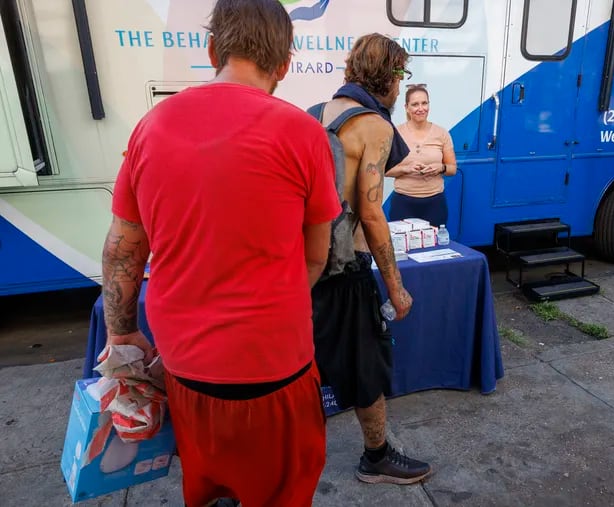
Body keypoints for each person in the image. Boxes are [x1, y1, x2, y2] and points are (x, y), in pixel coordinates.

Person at [101, 1, 340, 505]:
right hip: (276, 369)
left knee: (205, 488)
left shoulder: (151, 127)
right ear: (284, 65)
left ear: (212, 50)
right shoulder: (304, 133)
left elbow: (123, 247)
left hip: (186, 369)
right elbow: (317, 256)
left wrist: (122, 331)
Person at [311, 33, 432, 485]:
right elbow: (371, 212)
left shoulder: (318, 114)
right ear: (389, 77)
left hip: (308, 266)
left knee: (307, 367)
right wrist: (396, 286)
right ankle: (376, 455)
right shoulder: (375, 126)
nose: (401, 88)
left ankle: (288, 460)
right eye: (400, 77)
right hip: (348, 268)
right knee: (368, 364)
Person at [387, 84, 457, 226]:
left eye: (424, 103)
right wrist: (406, 168)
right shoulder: (395, 133)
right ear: (406, 107)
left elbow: (452, 169)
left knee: (434, 247)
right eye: (415, 104)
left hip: (435, 203)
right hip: (403, 203)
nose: (420, 108)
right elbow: (385, 170)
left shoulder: (441, 133)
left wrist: (441, 168)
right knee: (403, 247)